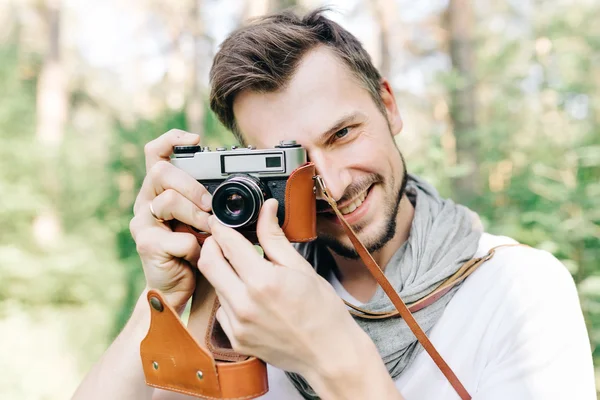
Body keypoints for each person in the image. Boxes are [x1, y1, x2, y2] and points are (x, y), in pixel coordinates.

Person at [72, 8, 596, 400]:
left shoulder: (516, 287)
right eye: (289, 159)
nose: (330, 183)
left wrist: (326, 351)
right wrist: (162, 297)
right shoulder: (242, 304)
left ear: (388, 107)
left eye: (343, 133)